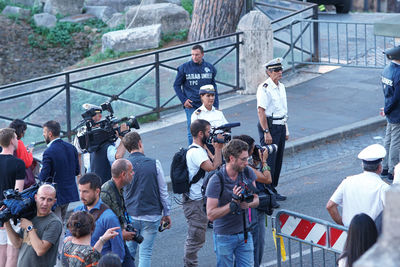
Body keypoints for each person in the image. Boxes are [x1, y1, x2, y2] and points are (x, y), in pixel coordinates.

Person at [206, 139, 259, 267]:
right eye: (243, 159)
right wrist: (233, 204)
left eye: (248, 158)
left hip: (245, 234)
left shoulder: (247, 172)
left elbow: (256, 199)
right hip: (224, 237)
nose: (247, 163)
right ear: (231, 158)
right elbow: (211, 215)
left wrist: (247, 204)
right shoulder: (217, 180)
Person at [122, 132, 172, 267]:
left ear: (127, 148)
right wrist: (166, 213)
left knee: (129, 252)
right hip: (152, 214)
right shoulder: (154, 163)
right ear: (139, 143)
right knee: (145, 253)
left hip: (131, 215)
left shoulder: (123, 166)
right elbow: (163, 191)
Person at [183, 119, 223, 267]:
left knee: (198, 237)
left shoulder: (201, 149)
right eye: (208, 131)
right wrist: (218, 148)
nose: (210, 134)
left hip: (199, 199)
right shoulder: (196, 152)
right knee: (195, 238)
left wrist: (213, 148)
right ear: (200, 133)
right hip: (194, 201)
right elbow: (213, 167)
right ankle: (190, 265)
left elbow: (216, 164)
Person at [326, 144, 390, 227]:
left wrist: (341, 223)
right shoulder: (383, 188)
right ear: (380, 168)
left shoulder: (347, 181)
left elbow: (330, 206)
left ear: (362, 165)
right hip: (373, 233)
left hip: (349, 231)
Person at [233, 134, 272, 267]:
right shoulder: (247, 167)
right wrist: (264, 161)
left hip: (241, 214)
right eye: (253, 148)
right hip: (252, 212)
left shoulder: (238, 164)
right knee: (256, 244)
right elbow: (267, 179)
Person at [5, 184, 62, 266]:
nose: (45, 203)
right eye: (42, 198)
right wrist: (6, 221)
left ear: (54, 202)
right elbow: (17, 244)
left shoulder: (54, 223)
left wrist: (29, 227)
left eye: (49, 200)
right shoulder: (30, 216)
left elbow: (40, 250)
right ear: (36, 198)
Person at [256, 57, 289, 201]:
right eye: (276, 70)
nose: (280, 72)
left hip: (280, 125)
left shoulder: (281, 86)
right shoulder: (264, 88)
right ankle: (266, 192)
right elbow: (261, 111)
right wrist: (266, 131)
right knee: (268, 161)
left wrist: (286, 129)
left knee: (278, 160)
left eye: (280, 69)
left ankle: (272, 189)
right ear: (269, 72)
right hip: (270, 127)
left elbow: (282, 110)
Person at [74, 173, 125, 262]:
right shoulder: (77, 211)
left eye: (85, 192)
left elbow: (118, 254)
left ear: (97, 192)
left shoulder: (109, 218)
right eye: (80, 191)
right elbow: (69, 238)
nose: (81, 196)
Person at [173, 44, 218, 145]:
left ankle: (208, 151)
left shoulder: (210, 68)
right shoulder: (184, 68)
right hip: (192, 105)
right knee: (192, 131)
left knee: (209, 129)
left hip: (207, 104)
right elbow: (176, 85)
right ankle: (192, 153)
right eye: (192, 55)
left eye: (197, 54)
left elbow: (214, 88)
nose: (194, 57)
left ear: (202, 54)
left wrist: (216, 105)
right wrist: (184, 100)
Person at [38, 120, 80, 222]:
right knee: (64, 222)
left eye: (44, 132)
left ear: (50, 134)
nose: (43, 135)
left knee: (56, 224)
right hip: (70, 193)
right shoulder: (71, 147)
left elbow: (43, 177)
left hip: (56, 195)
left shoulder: (48, 152)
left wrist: (40, 170)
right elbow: (77, 171)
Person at [100, 159, 136, 266]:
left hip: (118, 242)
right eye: (131, 171)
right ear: (123, 174)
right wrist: (121, 234)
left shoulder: (117, 189)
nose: (133, 173)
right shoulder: (106, 194)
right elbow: (101, 225)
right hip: (109, 247)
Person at [0, 128, 25, 267]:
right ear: (11, 141)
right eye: (16, 137)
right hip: (10, 212)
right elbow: (17, 193)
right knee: (13, 252)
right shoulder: (18, 164)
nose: (17, 140)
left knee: (1, 251)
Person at [380, 45, 400, 181]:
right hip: (397, 112)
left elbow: (388, 93)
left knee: (388, 139)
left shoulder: (386, 70)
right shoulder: (399, 73)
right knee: (396, 142)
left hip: (389, 110)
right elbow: (397, 97)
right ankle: (393, 171)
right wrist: (387, 109)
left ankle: (384, 167)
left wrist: (386, 109)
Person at [9, 119, 36, 188]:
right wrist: (30, 152)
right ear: (21, 131)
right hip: (19, 180)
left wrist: (23, 148)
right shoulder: (19, 143)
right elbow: (27, 163)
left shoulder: (6, 141)